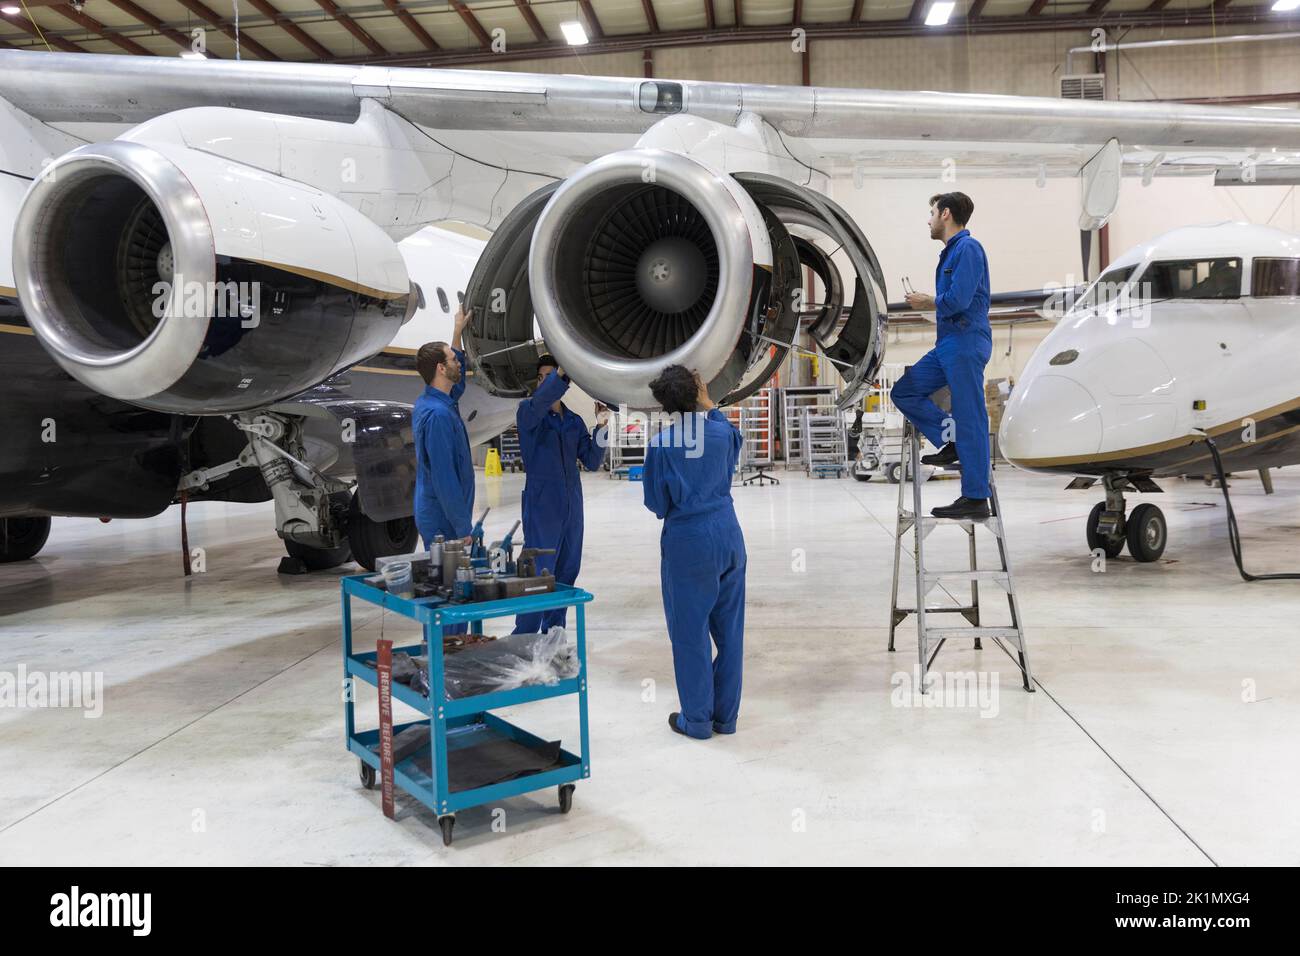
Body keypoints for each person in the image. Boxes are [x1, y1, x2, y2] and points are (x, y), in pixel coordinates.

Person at [642, 365, 746, 740]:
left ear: (664, 404)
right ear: (697, 391)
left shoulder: (660, 446)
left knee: (690, 634)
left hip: (689, 541)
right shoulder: (724, 434)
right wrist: (708, 403)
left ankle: (698, 721)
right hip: (729, 534)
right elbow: (731, 436)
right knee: (730, 632)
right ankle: (726, 718)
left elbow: (656, 503)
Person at [893, 191, 994, 519]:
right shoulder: (951, 252)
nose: (929, 219)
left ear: (946, 214)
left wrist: (928, 302)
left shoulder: (968, 248)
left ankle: (976, 497)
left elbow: (959, 300)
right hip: (948, 343)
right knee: (904, 390)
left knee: (972, 415)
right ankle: (950, 438)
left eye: (932, 212)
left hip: (965, 341)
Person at [512, 355, 607, 635]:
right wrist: (562, 373)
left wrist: (601, 427)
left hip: (571, 505)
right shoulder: (529, 414)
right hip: (542, 505)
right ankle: (524, 639)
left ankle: (554, 634)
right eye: (542, 378)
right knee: (539, 574)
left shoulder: (574, 422)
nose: (546, 383)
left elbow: (592, 461)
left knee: (567, 571)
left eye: (550, 377)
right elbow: (541, 401)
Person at [413, 307, 474, 631]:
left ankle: (447, 662)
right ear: (440, 368)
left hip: (442, 514)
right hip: (443, 518)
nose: (458, 364)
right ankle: (444, 667)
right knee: (450, 601)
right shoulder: (437, 416)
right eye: (453, 359)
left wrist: (457, 332)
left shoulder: (436, 400)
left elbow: (458, 383)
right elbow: (444, 478)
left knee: (449, 593)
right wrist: (463, 527)